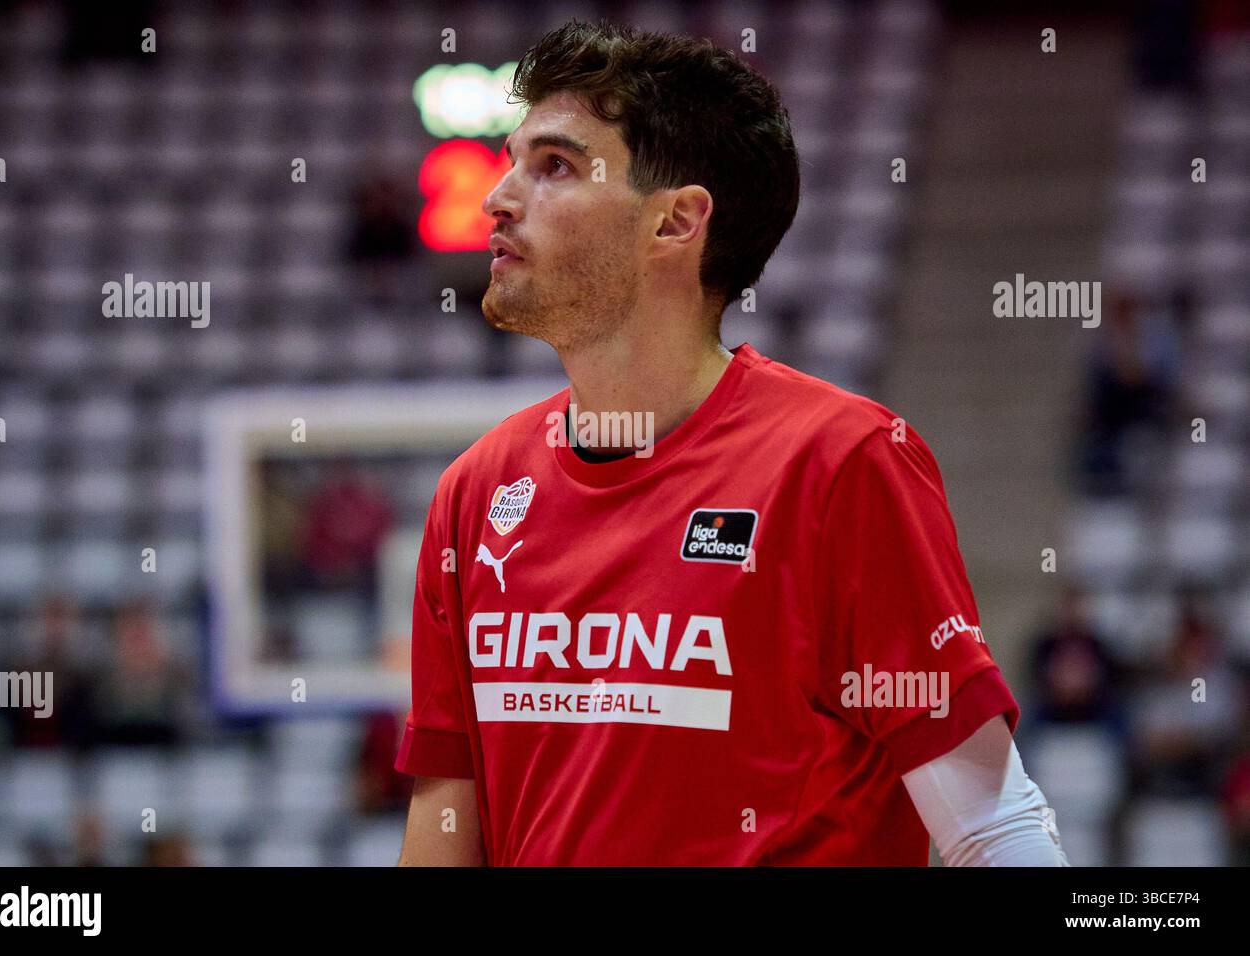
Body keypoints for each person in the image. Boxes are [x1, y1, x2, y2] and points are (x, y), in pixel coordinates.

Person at [394, 19, 1067, 866]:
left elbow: (991, 827)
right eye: (511, 163)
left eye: (555, 166)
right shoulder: (476, 493)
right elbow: (444, 832)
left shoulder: (841, 463)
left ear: (676, 223)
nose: (497, 199)